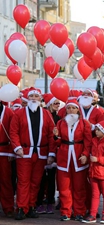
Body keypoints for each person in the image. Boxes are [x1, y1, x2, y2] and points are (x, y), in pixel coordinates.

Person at [10, 87, 55, 220]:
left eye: (36, 96)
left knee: (36, 182)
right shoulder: (19, 113)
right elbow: (13, 131)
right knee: (23, 182)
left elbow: (52, 135)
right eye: (32, 96)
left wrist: (51, 153)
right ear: (27, 98)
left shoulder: (47, 114)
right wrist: (17, 147)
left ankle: (31, 206)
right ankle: (21, 208)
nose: (34, 98)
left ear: (40, 99)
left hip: (41, 153)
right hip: (24, 153)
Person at [53, 99, 92, 221]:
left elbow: (88, 141)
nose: (71, 110)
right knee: (64, 187)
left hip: (78, 158)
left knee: (79, 187)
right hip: (64, 158)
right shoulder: (60, 123)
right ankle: (66, 211)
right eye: (69, 108)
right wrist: (55, 136)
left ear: (78, 110)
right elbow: (57, 142)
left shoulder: (84, 124)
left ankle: (79, 211)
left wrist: (85, 154)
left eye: (73, 108)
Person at [82, 121, 104, 224]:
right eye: (96, 129)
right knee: (95, 194)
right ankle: (93, 214)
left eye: (98, 130)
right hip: (94, 172)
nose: (96, 132)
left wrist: (98, 159)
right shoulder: (94, 141)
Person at [36, 94, 61, 214]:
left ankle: (50, 202)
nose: (58, 105)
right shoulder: (42, 115)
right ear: (50, 103)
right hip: (42, 148)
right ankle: (39, 202)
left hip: (54, 150)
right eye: (55, 103)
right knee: (40, 178)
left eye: (58, 103)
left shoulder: (59, 118)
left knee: (51, 178)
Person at [0, 99, 15, 217]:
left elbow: (13, 132)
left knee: (5, 180)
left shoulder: (9, 112)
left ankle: (8, 207)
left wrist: (11, 151)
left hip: (4, 151)